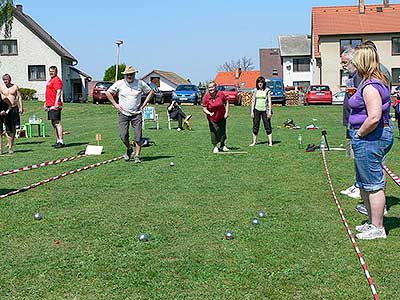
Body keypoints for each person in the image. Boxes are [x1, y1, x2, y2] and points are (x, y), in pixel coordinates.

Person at [348, 42, 394, 240]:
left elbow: (374, 117)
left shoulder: (370, 86)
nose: (352, 63)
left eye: (355, 60)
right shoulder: (373, 81)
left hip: (370, 138)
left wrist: (359, 135)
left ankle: (378, 227)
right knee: (365, 183)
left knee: (373, 185)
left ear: (363, 61)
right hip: (370, 138)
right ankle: (371, 222)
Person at [105, 65, 154, 163]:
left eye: (131, 74)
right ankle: (129, 149)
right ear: (125, 75)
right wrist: (116, 105)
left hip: (137, 114)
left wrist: (143, 105)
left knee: (138, 136)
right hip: (123, 114)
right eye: (127, 75)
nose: (129, 76)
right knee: (123, 136)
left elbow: (151, 92)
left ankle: (137, 156)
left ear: (134, 74)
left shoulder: (140, 83)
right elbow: (108, 93)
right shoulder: (119, 83)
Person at [339, 48, 362, 199]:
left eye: (345, 62)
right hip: (350, 123)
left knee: (360, 156)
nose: (342, 65)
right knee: (353, 155)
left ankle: (361, 187)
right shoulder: (351, 77)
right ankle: (357, 184)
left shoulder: (359, 77)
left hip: (358, 125)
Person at [203, 81, 229, 154]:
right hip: (212, 118)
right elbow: (204, 108)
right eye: (209, 87)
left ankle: (223, 145)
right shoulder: (206, 97)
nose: (211, 89)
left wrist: (226, 112)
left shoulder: (220, 94)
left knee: (222, 130)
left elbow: (226, 102)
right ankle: (215, 146)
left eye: (212, 87)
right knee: (215, 131)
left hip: (222, 116)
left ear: (215, 87)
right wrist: (209, 113)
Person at [0, 74, 23, 154]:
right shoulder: (2, 88)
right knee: (7, 128)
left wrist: (21, 107)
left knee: (14, 127)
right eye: (4, 80)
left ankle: (11, 144)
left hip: (13, 107)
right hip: (5, 109)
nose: (6, 81)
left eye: (7, 79)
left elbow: (19, 97)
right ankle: (9, 145)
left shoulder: (15, 87)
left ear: (10, 79)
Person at [249, 76, 273, 146]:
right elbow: (253, 101)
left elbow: (269, 101)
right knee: (255, 126)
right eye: (259, 82)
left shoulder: (267, 90)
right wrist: (252, 111)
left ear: (263, 83)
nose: (260, 84)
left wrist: (269, 111)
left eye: (261, 82)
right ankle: (254, 142)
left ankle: (270, 142)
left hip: (265, 110)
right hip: (257, 110)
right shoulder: (255, 91)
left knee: (267, 126)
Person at [45, 66, 64, 148]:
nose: (51, 73)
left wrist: (56, 103)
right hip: (50, 104)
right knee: (53, 123)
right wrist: (46, 103)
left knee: (57, 122)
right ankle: (57, 140)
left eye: (52, 71)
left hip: (55, 105)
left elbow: (59, 92)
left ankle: (61, 141)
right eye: (50, 71)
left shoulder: (57, 80)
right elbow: (49, 92)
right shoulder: (51, 80)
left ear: (56, 72)